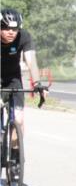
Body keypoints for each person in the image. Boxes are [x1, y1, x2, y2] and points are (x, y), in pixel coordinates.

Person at [1, 8, 48, 150]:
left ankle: (15, 157)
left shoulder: (24, 37)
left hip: (13, 79)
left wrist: (38, 83)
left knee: (19, 120)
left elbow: (31, 61)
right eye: (7, 28)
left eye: (15, 29)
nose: (11, 32)